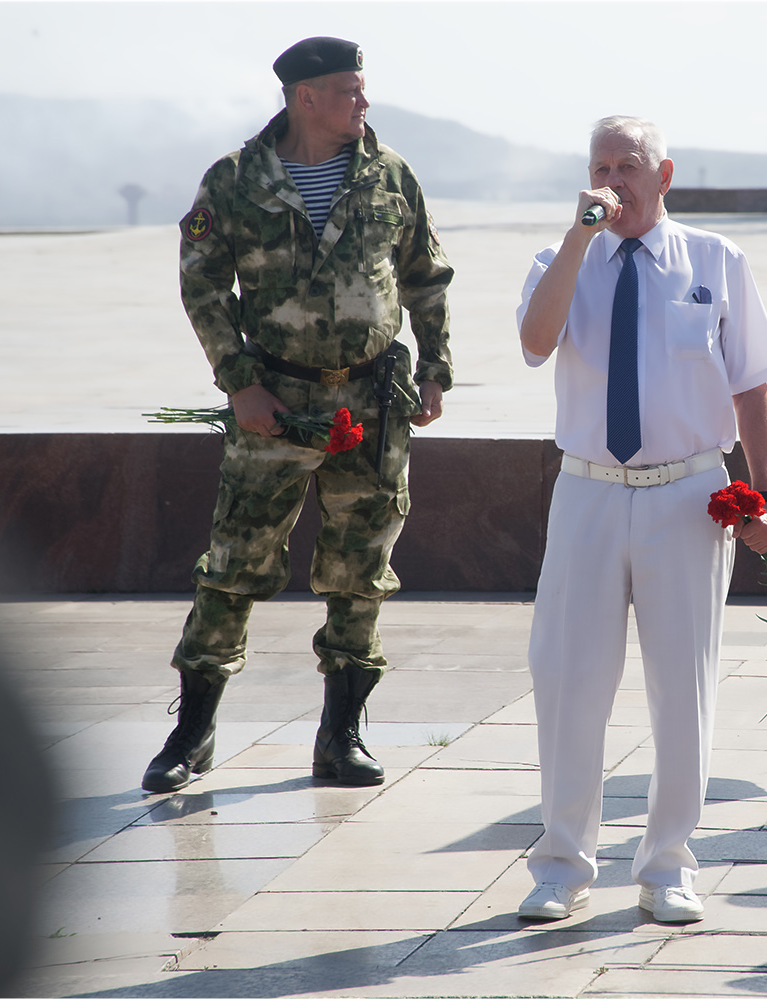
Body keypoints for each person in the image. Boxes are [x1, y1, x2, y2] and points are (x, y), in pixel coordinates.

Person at [142, 37, 455, 793]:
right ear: (304, 98)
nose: (364, 101)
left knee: (360, 572)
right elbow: (203, 287)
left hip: (373, 404)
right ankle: (192, 732)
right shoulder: (235, 180)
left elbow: (425, 276)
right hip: (275, 405)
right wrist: (240, 385)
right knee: (234, 565)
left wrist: (436, 367)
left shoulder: (389, 175)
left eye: (362, 87)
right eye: (350, 89)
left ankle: (341, 735)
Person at [514, 116, 767, 923]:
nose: (611, 182)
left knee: (682, 686)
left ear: (662, 176)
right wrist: (578, 239)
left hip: (688, 492)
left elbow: (751, 386)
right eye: (599, 167)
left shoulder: (716, 260)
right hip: (589, 491)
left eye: (627, 166)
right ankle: (562, 865)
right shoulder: (560, 259)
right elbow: (536, 341)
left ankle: (668, 865)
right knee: (567, 681)